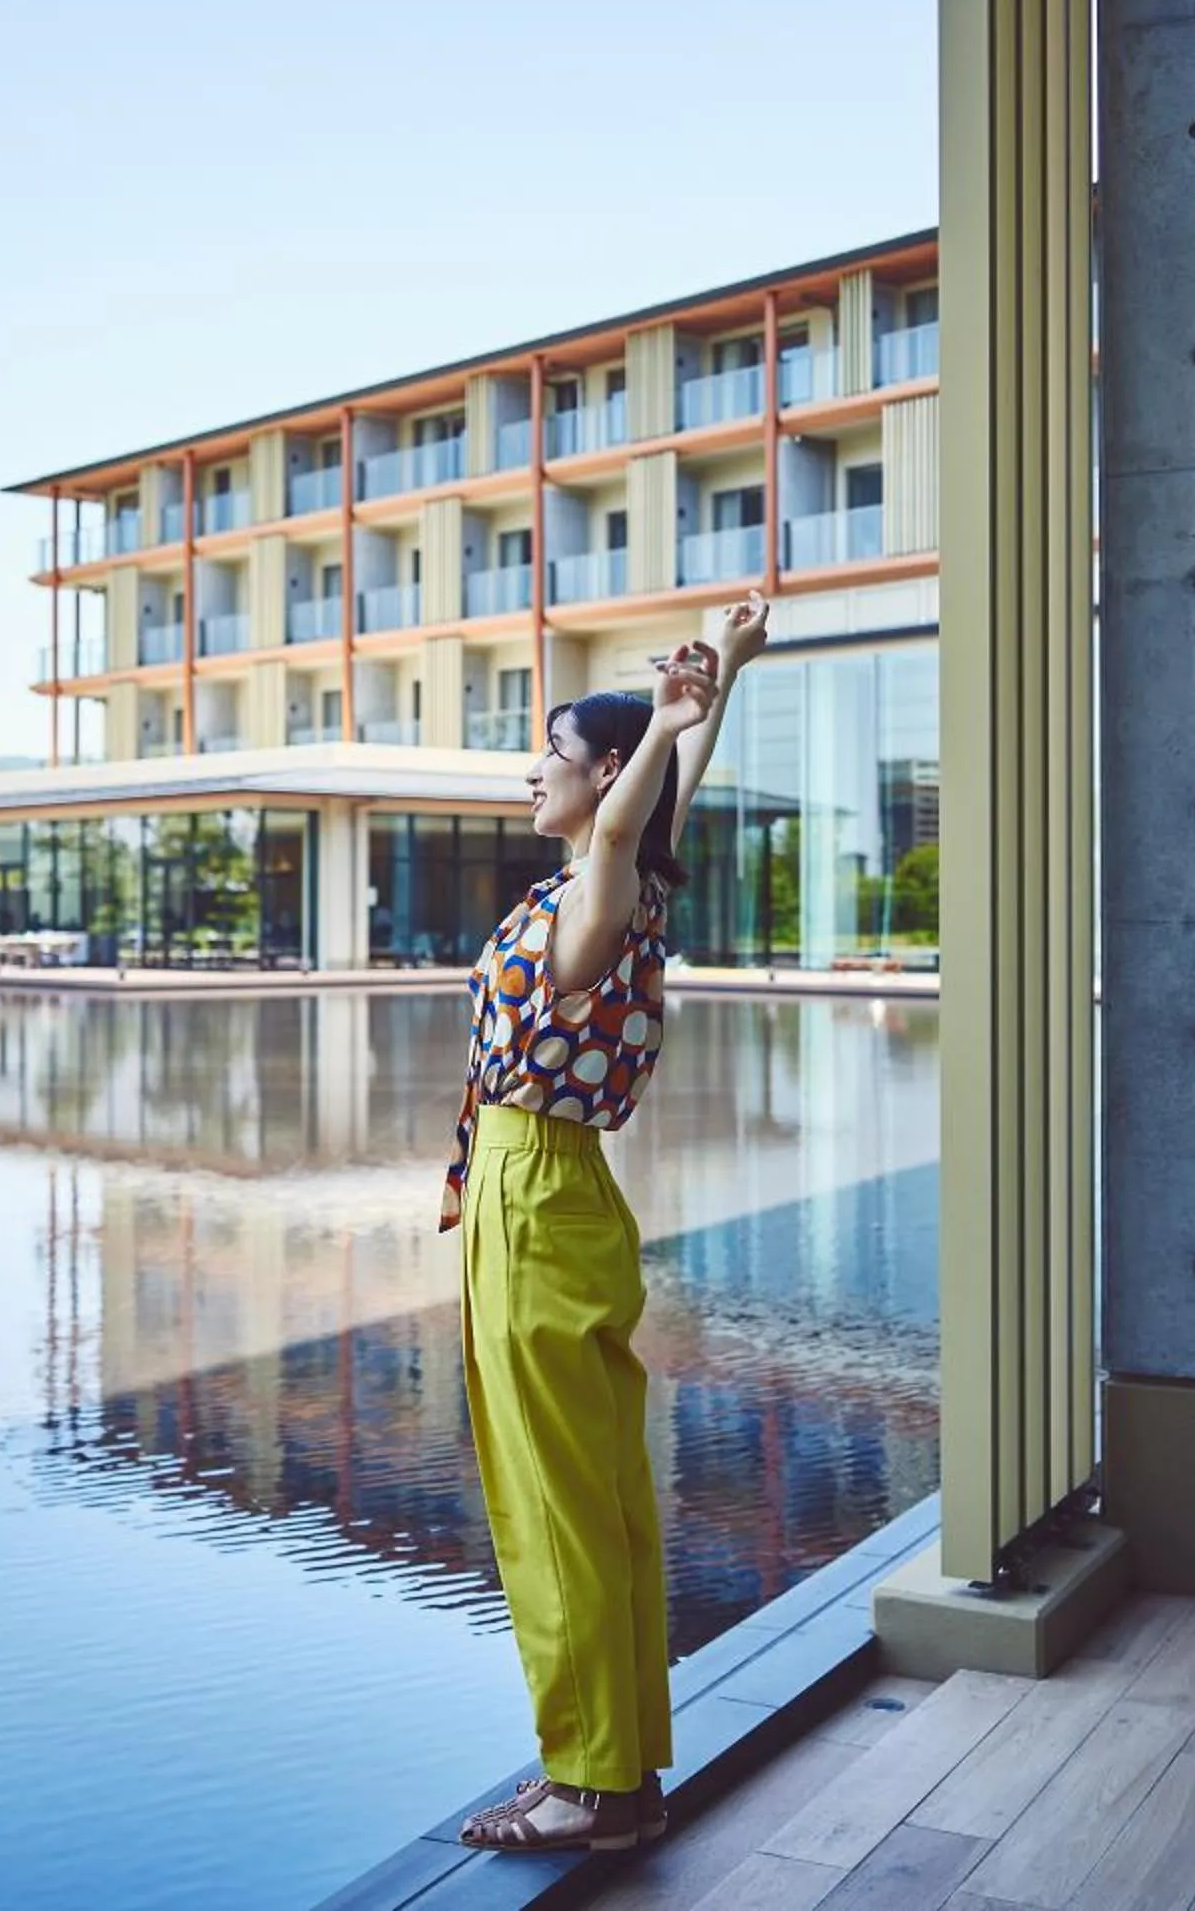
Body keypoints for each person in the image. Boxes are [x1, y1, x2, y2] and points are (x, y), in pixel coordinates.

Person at [445, 590, 771, 1854]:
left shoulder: (598, 898)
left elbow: (640, 813)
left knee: (552, 1502)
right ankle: (622, 1777)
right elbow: (661, 805)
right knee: (603, 1494)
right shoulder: (626, 895)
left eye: (555, 753)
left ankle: (582, 1786)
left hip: (530, 1195)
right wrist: (720, 672)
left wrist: (671, 722)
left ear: (602, 778)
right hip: (562, 1191)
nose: (535, 770)